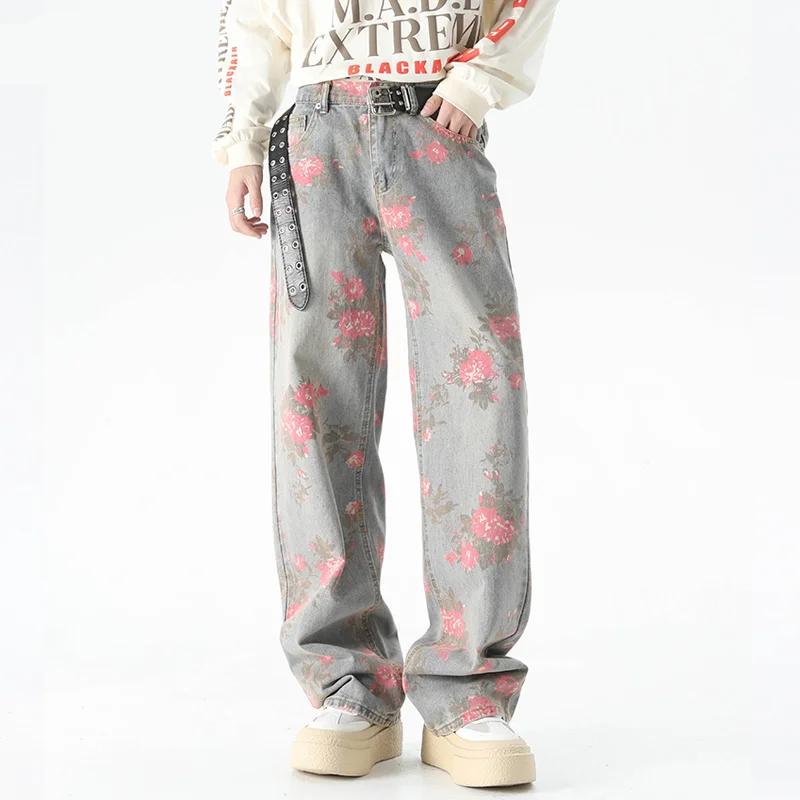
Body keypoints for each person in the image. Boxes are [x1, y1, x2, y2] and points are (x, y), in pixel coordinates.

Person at [214, 0, 559, 787]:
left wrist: (478, 81)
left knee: (478, 386)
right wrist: (241, 137)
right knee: (314, 400)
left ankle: (468, 688)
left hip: (437, 117)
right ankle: (348, 682)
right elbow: (254, 18)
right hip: (317, 129)